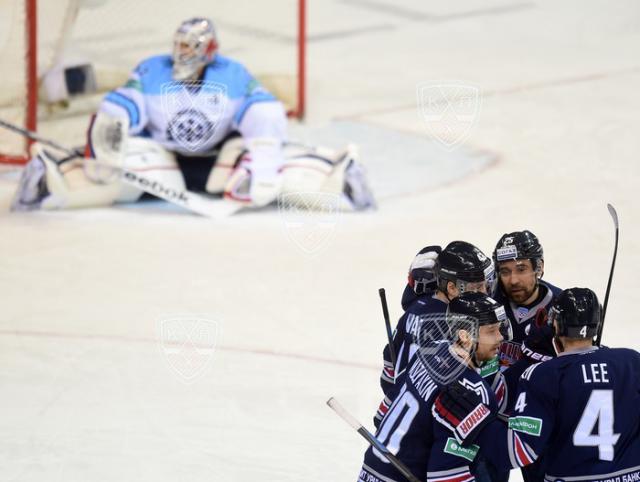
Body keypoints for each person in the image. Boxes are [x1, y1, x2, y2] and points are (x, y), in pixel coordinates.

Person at [11, 18, 374, 213]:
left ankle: (342, 174)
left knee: (273, 176)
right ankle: (47, 178)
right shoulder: (153, 70)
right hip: (163, 159)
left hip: (219, 160)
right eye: (179, 45)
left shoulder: (231, 75)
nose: (182, 52)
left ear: (209, 51)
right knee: (118, 183)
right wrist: (110, 133)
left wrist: (262, 167)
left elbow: (263, 112)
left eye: (191, 46)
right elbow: (125, 103)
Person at [436, 288, 640, 481]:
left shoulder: (542, 375)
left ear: (556, 325)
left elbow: (517, 451)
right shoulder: (632, 362)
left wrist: (475, 421)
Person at [359, 292, 510, 482]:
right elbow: (445, 476)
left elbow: (383, 412)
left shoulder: (430, 350)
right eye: (491, 331)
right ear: (464, 335)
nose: (500, 337)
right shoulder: (473, 389)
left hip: (371, 468)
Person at [375, 241, 496, 426]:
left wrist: (389, 408)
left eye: (484, 286)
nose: (484, 294)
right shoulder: (448, 325)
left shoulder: (417, 308)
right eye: (477, 288)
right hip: (418, 426)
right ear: (451, 288)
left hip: (397, 416)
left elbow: (389, 365)